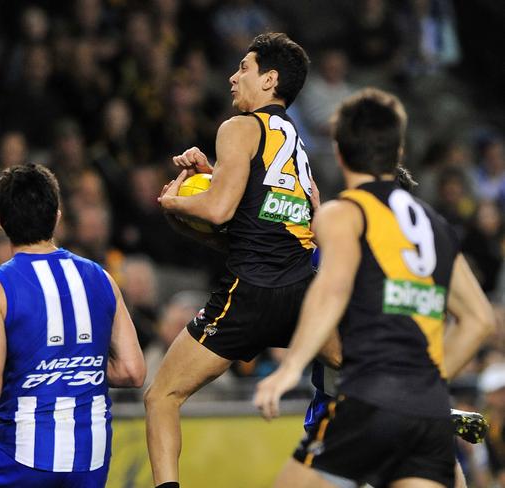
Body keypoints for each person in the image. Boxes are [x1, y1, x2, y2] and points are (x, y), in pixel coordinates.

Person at [253, 87, 496, 488]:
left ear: (340, 151)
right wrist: (424, 382)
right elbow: (480, 319)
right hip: (426, 410)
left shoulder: (344, 213)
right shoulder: (434, 224)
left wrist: (290, 368)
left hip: (366, 401)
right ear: (397, 152)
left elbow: (330, 291)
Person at [148, 32, 319, 488]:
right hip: (305, 288)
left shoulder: (238, 127)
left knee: (161, 396)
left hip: (249, 292)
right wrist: (213, 176)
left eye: (243, 67)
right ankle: (429, 411)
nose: (232, 76)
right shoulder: (297, 144)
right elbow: (287, 217)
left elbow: (219, 210)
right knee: (368, 372)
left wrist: (174, 203)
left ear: (269, 79)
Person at [0, 164, 146, 488]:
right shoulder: (102, 278)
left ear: (0, 221)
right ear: (57, 217)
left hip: (22, 453)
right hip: (91, 456)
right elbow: (133, 371)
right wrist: (72, 367)